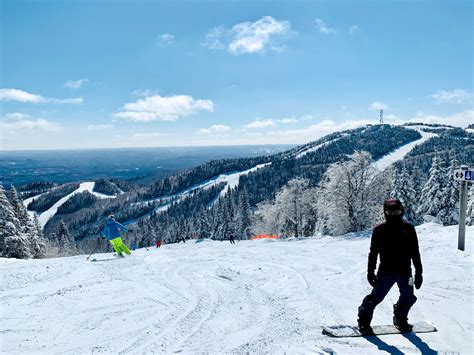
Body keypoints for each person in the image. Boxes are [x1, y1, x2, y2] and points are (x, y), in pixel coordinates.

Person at [357, 198, 423, 334]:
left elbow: (415, 252)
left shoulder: (409, 229)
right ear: (385, 212)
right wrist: (370, 272)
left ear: (402, 211)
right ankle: (363, 322)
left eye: (396, 212)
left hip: (405, 271)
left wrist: (419, 273)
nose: (393, 215)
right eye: (390, 212)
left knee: (409, 297)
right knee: (376, 298)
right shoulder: (379, 230)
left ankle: (400, 318)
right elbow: (373, 253)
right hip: (386, 271)